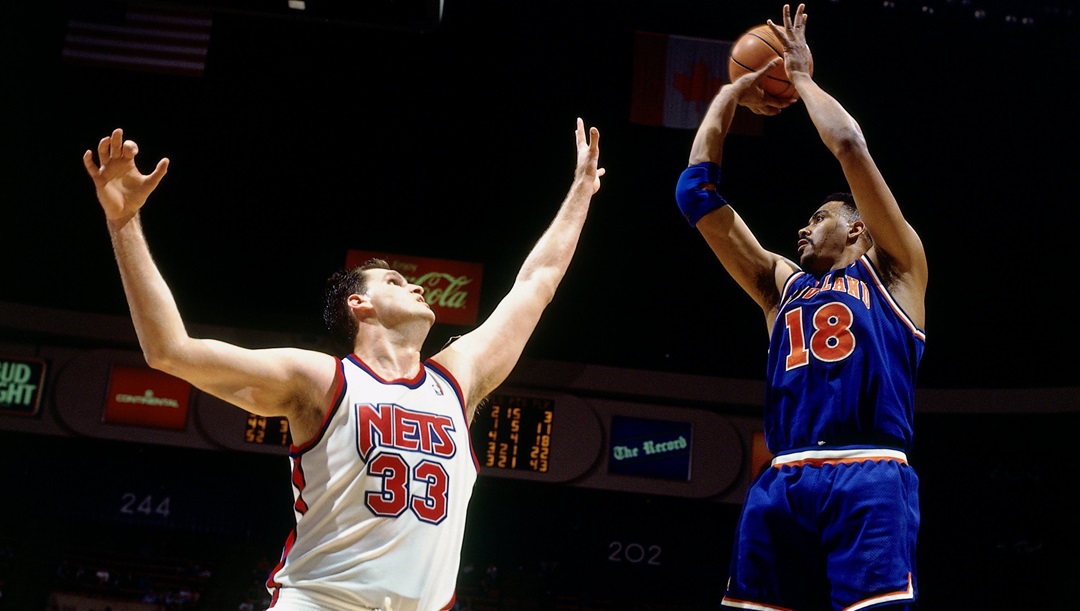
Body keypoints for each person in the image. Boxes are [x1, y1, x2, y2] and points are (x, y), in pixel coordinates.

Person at [82, 118, 604, 611]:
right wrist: (124, 222)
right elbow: (169, 351)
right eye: (395, 282)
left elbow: (537, 283)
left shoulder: (457, 376)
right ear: (360, 305)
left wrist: (580, 193)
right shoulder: (321, 379)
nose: (417, 285)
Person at [674, 4, 927, 610]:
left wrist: (802, 78)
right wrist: (732, 92)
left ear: (859, 230)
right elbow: (694, 194)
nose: (802, 230)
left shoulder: (897, 270)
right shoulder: (781, 288)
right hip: (784, 475)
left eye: (819, 219)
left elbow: (846, 143)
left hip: (870, 471)